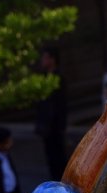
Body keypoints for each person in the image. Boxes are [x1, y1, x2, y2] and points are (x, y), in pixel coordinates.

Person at [34, 46, 68, 181]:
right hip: (46, 126)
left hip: (55, 126)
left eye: (46, 58)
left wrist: (60, 125)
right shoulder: (43, 78)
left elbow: (60, 105)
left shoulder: (58, 78)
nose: (43, 61)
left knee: (59, 158)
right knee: (51, 159)